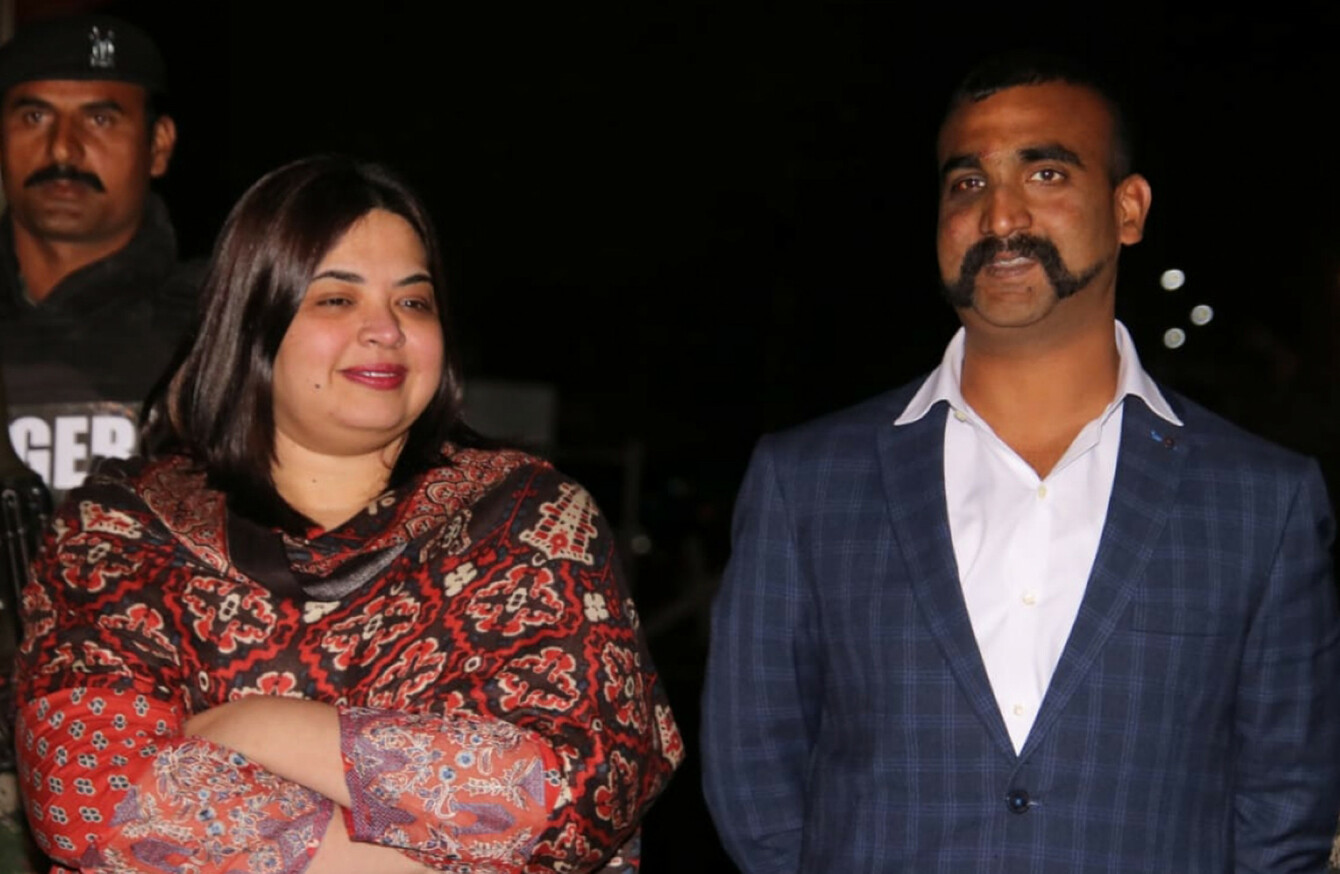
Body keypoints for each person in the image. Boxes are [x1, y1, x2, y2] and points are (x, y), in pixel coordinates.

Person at [702, 54, 1340, 872]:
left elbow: (1285, 809)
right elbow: (754, 778)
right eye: (968, 183)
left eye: (1046, 173)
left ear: (1129, 209)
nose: (1000, 215)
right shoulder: (808, 484)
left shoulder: (1261, 502)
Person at [16, 155, 683, 873]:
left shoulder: (528, 522)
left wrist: (256, 726)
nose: (386, 330)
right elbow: (92, 793)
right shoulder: (124, 530)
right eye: (337, 299)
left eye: (414, 302)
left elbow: (585, 787)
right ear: (251, 321)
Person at [0, 14, 194, 497]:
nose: (63, 149)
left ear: (158, 145)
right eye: (35, 117)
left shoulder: (221, 328)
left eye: (100, 119)